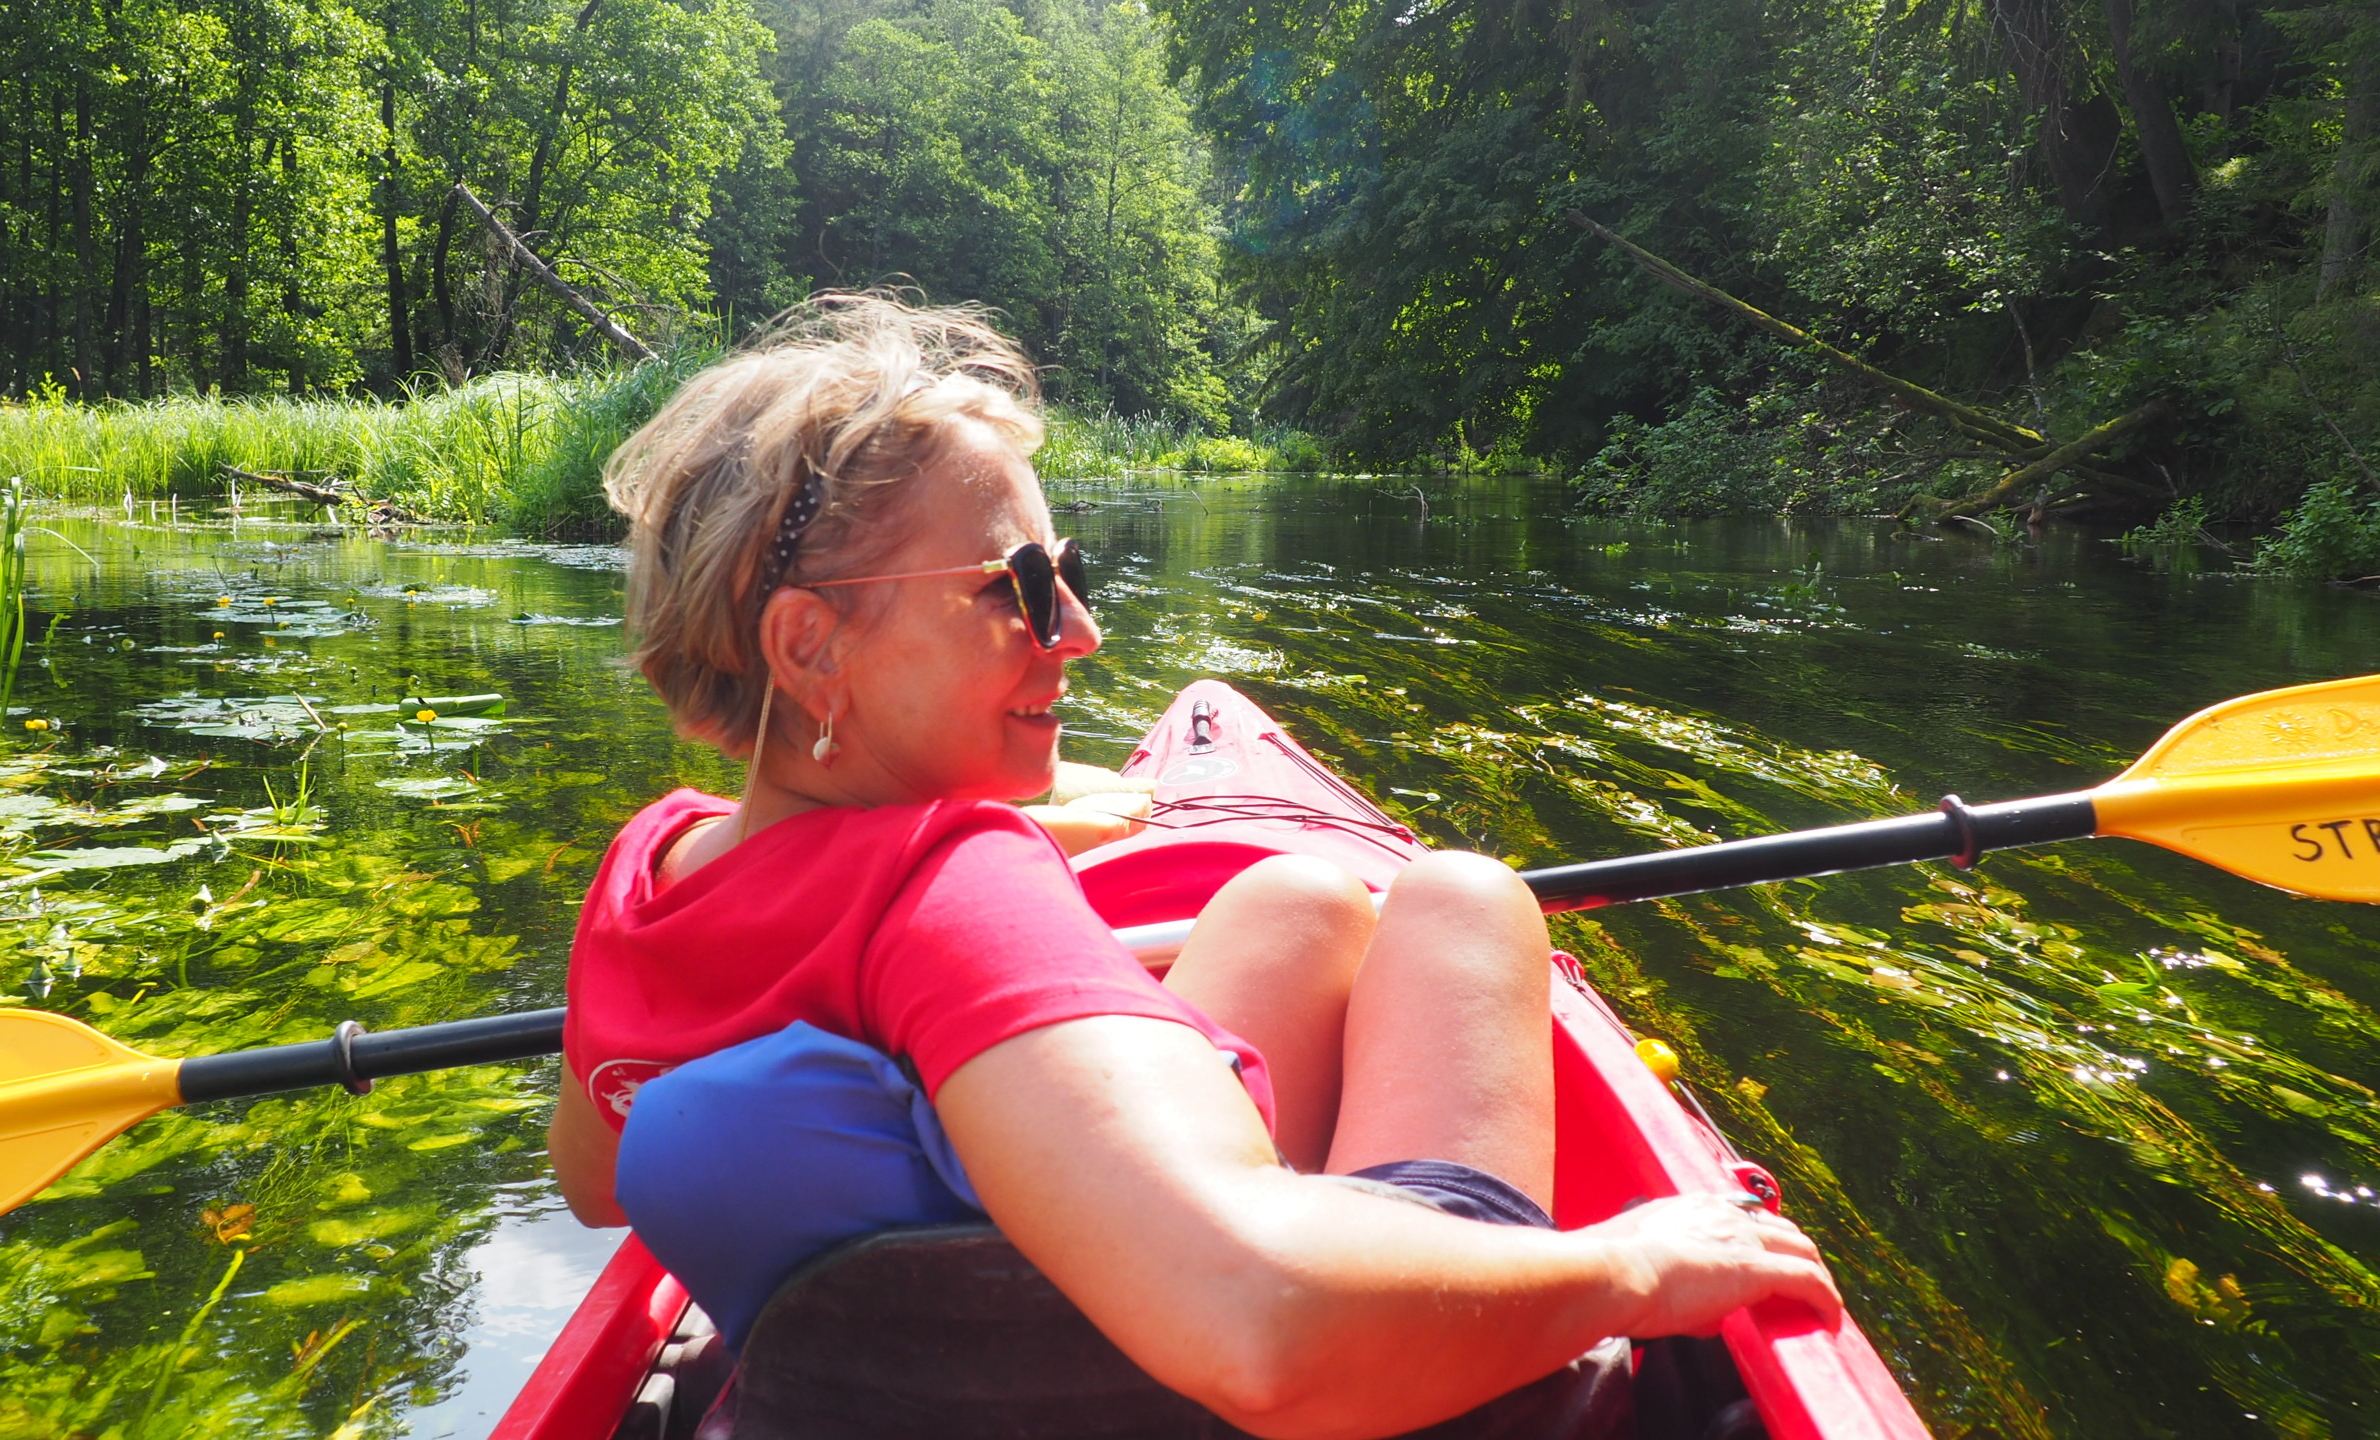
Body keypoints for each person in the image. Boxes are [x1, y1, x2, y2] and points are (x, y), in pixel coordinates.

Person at [549, 294, 1841, 1440]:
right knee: (1465, 900)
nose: (1080, 631)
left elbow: (600, 1182)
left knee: (1300, 901)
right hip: (1341, 1386)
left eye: (1069, 576)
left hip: (916, 1376)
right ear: (809, 647)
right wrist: (1632, 1266)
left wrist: (934, 1056)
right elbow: (1263, 1328)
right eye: (1018, 586)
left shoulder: (647, 884)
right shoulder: (954, 886)